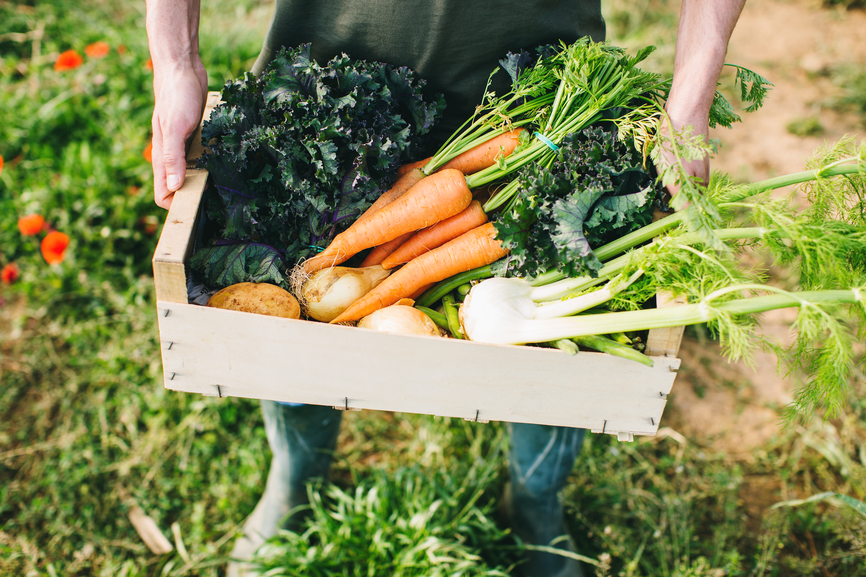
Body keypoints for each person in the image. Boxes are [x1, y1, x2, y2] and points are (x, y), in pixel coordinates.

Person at [145, 1, 746, 575]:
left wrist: (689, 100)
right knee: (297, 299)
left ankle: (537, 499)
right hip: (329, 86)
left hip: (538, 111)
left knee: (555, 319)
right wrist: (175, 63)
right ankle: (298, 472)